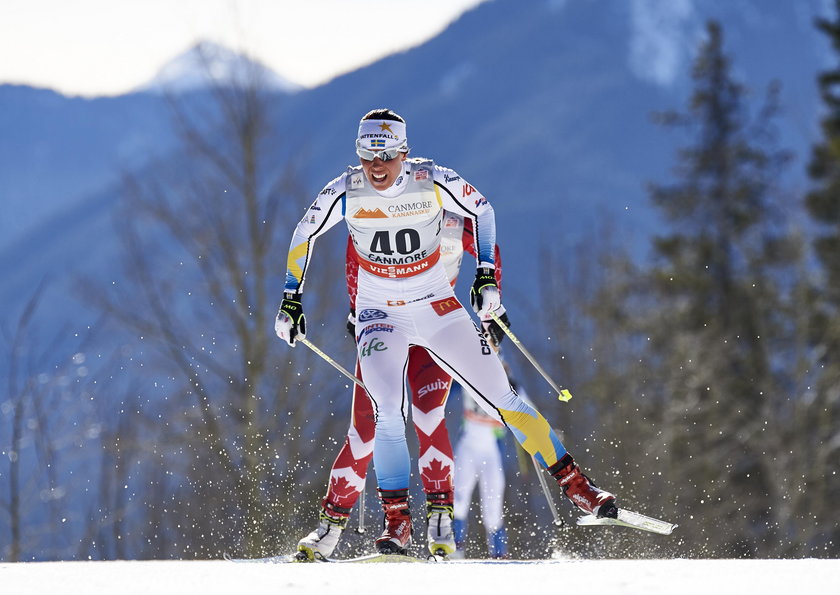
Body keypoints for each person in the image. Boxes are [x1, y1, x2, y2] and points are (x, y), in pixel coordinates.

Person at [276, 108, 618, 556]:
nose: (376, 167)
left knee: (505, 399)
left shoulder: (431, 179)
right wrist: (290, 297)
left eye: (385, 156)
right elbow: (305, 231)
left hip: (438, 309)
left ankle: (578, 487)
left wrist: (487, 276)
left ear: (404, 152)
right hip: (381, 316)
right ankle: (397, 521)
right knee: (388, 413)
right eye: (366, 156)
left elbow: (483, 209)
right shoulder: (346, 189)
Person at [296, 215, 506, 560]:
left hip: (434, 331)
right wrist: (355, 308)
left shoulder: (449, 217)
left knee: (428, 417)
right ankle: (331, 529)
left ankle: (440, 521)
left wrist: (491, 303)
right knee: (366, 429)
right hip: (382, 323)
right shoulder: (372, 209)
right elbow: (353, 253)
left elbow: (489, 250)